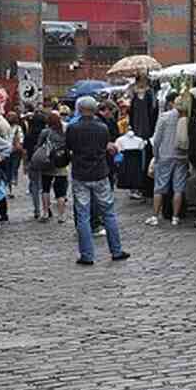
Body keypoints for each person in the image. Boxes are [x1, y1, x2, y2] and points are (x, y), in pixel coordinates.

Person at [65, 96, 129, 265]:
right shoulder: (102, 128)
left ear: (79, 109)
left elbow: (69, 148)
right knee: (108, 213)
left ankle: (87, 255)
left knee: (83, 215)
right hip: (100, 173)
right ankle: (116, 250)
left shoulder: (73, 128)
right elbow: (104, 147)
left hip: (81, 174)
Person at [147, 91, 188, 226]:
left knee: (160, 187)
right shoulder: (187, 117)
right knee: (178, 188)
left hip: (165, 155)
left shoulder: (164, 117)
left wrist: (155, 155)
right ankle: (175, 217)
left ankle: (155, 216)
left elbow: (157, 139)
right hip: (181, 155)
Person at [40, 111, 70, 223]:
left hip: (47, 163)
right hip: (61, 163)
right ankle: (61, 216)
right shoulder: (65, 130)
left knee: (45, 188)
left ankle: (45, 212)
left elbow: (39, 146)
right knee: (61, 192)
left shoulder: (45, 132)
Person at [23, 111, 48, 220]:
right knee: (45, 186)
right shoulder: (47, 133)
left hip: (32, 161)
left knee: (34, 186)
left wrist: (24, 164)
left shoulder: (29, 134)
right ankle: (46, 208)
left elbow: (24, 151)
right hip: (46, 162)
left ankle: (37, 209)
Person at [5, 111, 25, 198]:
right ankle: (11, 189)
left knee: (11, 170)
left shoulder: (8, 127)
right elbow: (21, 140)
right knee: (11, 170)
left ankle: (10, 189)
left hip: (11, 152)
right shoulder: (17, 128)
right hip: (12, 152)